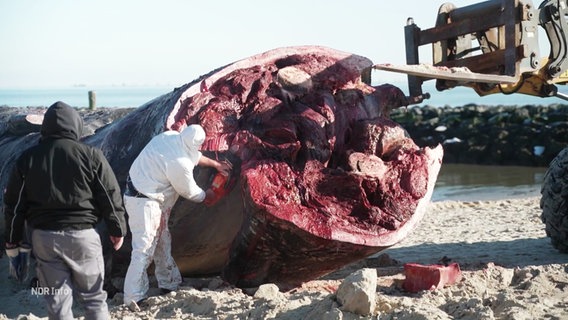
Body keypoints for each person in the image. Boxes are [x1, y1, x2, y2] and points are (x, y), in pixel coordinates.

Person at [3, 101, 127, 320]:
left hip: (45, 239)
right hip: (83, 237)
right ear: (76, 125)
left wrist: (12, 240)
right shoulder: (91, 155)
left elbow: (14, 204)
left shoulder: (28, 158)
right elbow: (109, 194)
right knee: (94, 299)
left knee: (57, 302)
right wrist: (117, 229)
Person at [123, 124, 231, 311]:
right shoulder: (179, 164)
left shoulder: (171, 136)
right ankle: (133, 297)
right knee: (144, 248)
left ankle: (168, 283)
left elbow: (193, 156)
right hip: (143, 200)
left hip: (149, 192)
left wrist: (215, 164)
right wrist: (208, 195)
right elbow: (189, 191)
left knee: (163, 240)